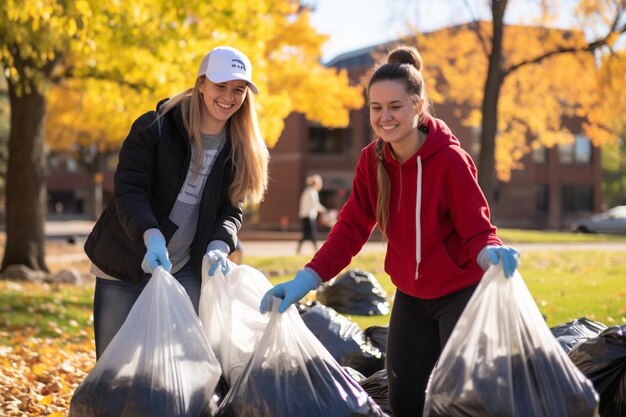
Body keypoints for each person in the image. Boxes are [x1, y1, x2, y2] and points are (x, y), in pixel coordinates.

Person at [260, 45, 519, 416]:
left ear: (417, 105)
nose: (385, 117)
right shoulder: (372, 159)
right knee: (405, 401)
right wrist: (305, 281)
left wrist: (489, 251)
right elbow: (350, 227)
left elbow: (476, 228)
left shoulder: (450, 160)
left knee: (464, 402)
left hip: (460, 294)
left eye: (395, 106)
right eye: (376, 108)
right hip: (411, 298)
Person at [84, 45, 269, 359]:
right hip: (123, 262)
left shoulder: (240, 147)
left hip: (184, 268)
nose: (228, 97)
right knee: (112, 366)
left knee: (175, 368)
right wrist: (151, 235)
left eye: (238, 89)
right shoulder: (155, 127)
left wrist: (219, 245)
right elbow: (130, 190)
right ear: (200, 84)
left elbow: (231, 208)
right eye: (220, 86)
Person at [296, 174, 326, 254]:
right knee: (312, 234)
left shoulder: (307, 191)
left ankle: (299, 249)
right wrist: (324, 210)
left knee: (306, 234)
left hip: (305, 215)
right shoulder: (312, 192)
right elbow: (315, 204)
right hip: (309, 216)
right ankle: (317, 250)